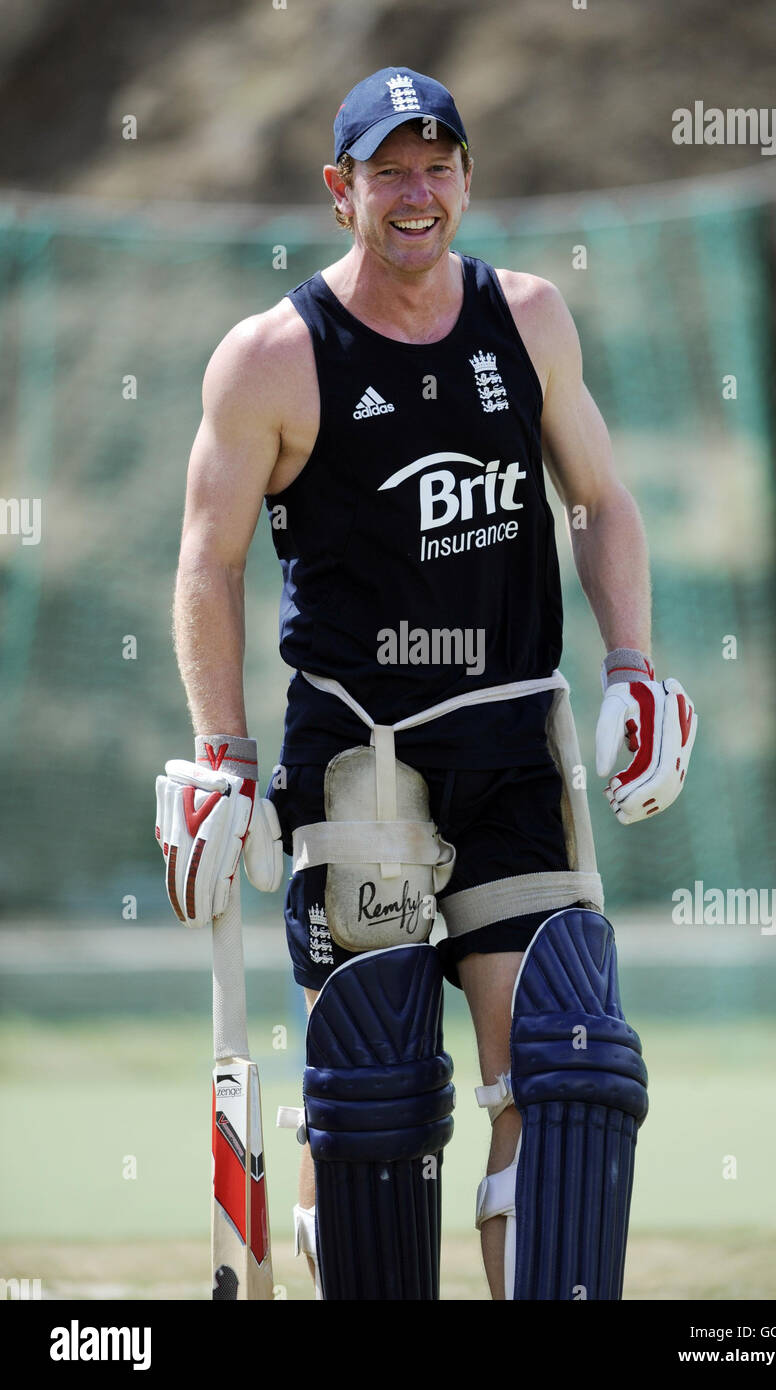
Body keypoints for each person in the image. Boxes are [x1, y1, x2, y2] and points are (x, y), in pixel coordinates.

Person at [158, 66, 696, 1300]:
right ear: (338, 189)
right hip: (357, 761)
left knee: (562, 1072)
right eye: (387, 170)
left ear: (466, 177)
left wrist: (631, 668)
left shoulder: (530, 318)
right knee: (375, 1100)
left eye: (436, 163)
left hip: (513, 743)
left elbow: (600, 500)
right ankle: (329, 1208)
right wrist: (222, 756)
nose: (416, 191)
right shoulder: (272, 357)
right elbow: (209, 559)